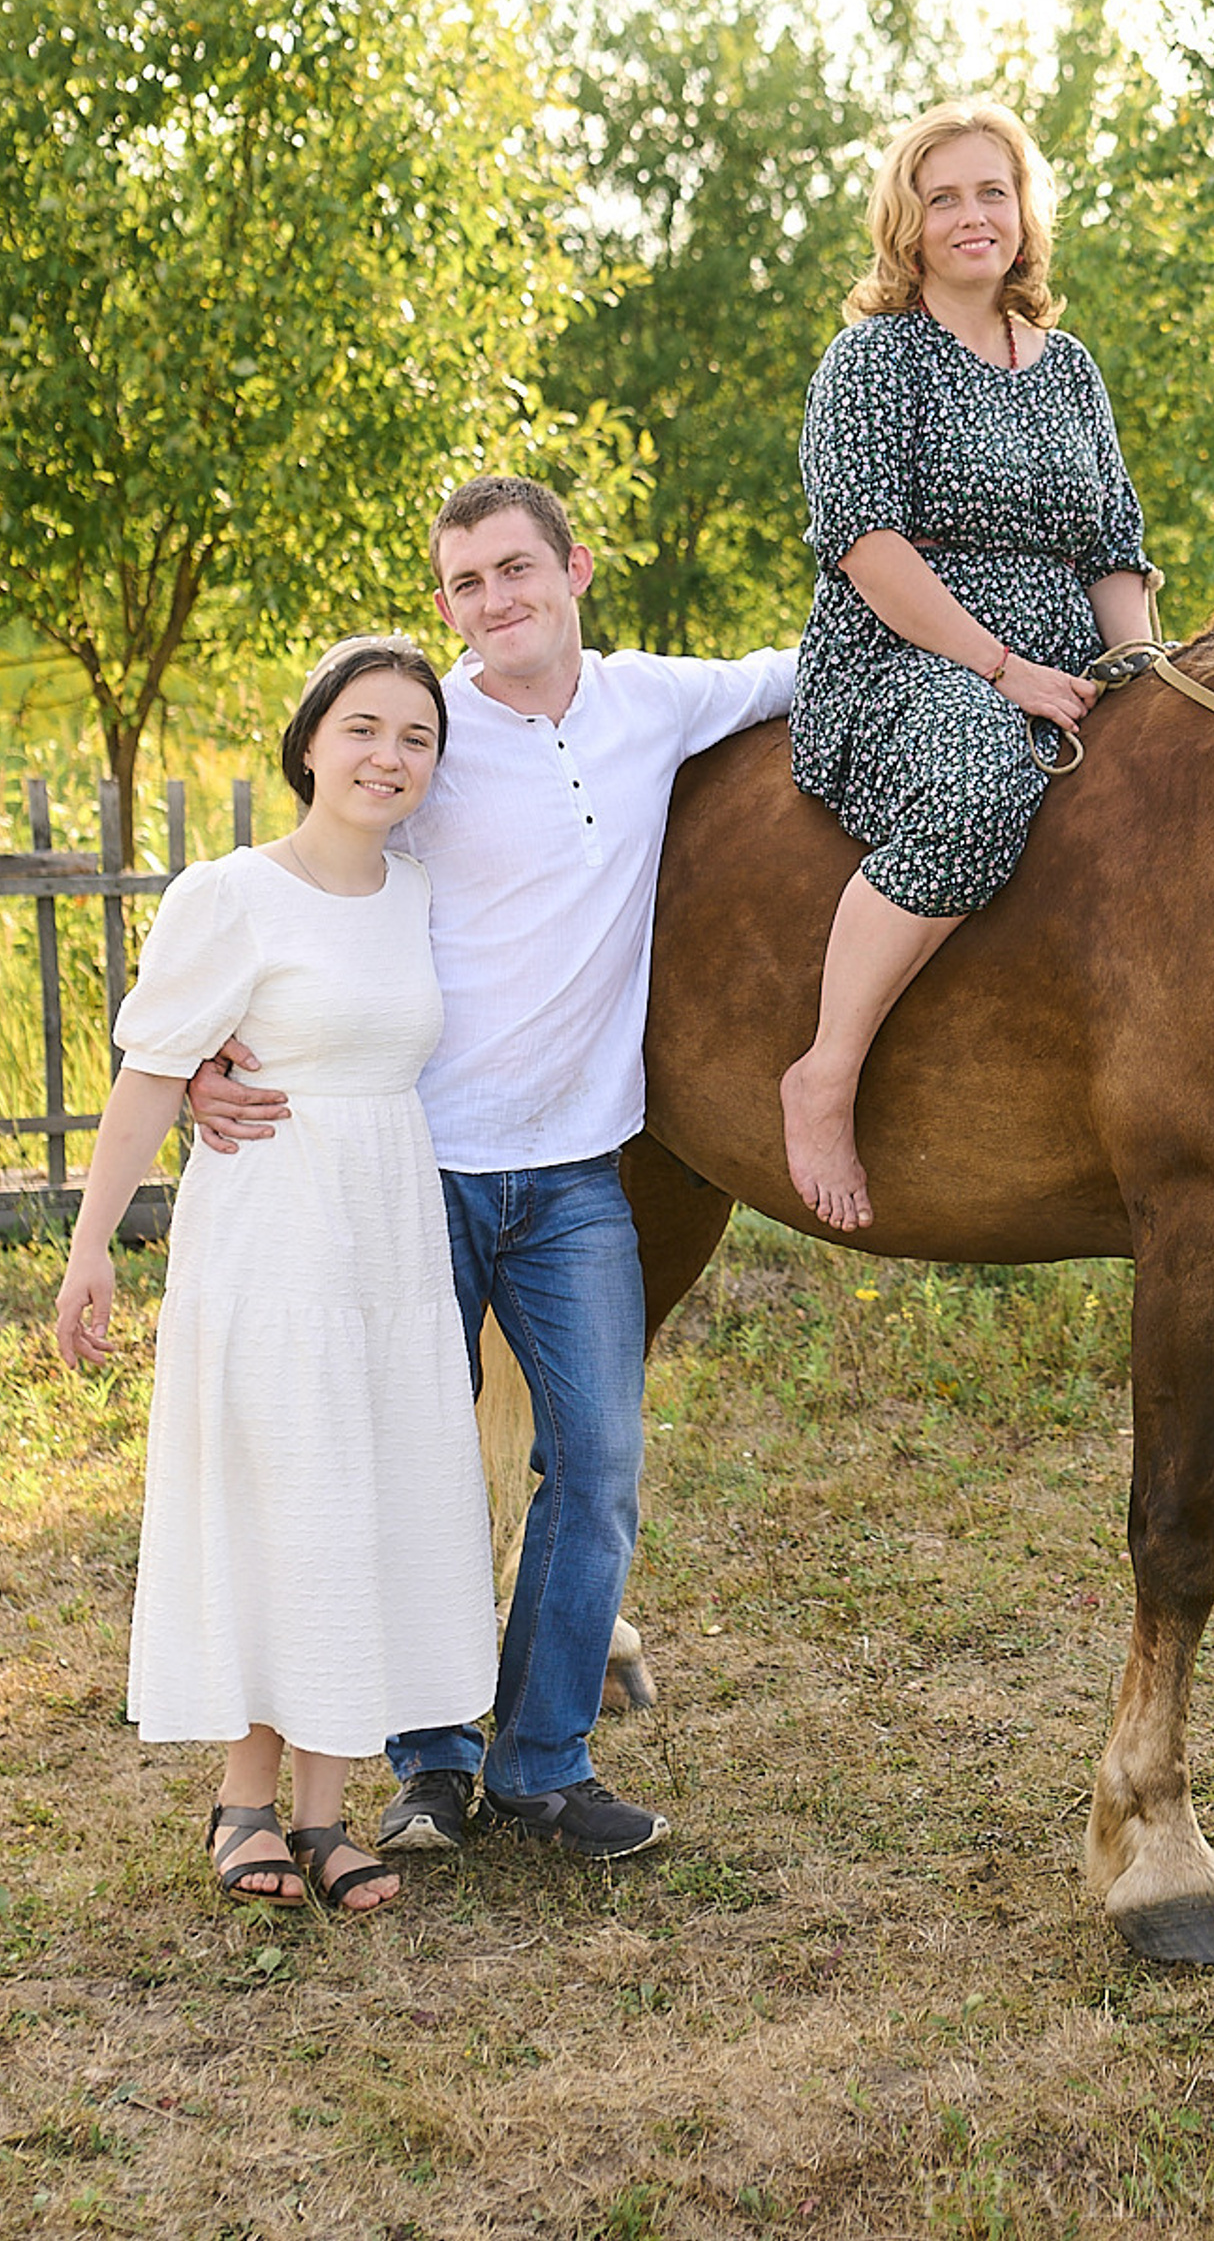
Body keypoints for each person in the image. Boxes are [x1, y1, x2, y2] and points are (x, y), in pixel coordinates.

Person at [190, 478, 795, 1862]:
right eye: (465, 583)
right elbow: (305, 880)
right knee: (419, 1465)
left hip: (579, 1174)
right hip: (420, 1169)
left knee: (599, 1465)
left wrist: (999, 632)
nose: (493, 600)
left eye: (515, 569)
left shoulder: (655, 701)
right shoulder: (431, 740)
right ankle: (428, 1764)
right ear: (446, 604)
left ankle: (542, 1763)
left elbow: (796, 667)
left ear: (574, 569)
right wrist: (211, 1045)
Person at [56, 637, 498, 1914]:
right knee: (282, 1496)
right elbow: (152, 1069)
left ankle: (322, 1814)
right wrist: (92, 1245)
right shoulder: (232, 893)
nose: (388, 757)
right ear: (310, 743)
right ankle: (242, 1803)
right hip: (272, 1234)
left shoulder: (419, 894)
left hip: (387, 1242)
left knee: (364, 1500)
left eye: (416, 738)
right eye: (363, 728)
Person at [778, 99, 1157, 1234]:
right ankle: (827, 1071)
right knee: (982, 777)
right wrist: (1003, 669)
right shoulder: (873, 359)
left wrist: (1149, 670)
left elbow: (1112, 549)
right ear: (908, 223)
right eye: (941, 197)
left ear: (1024, 212)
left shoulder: (1070, 367)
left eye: (992, 191)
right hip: (905, 663)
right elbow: (866, 543)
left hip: (1069, 660)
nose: (970, 215)